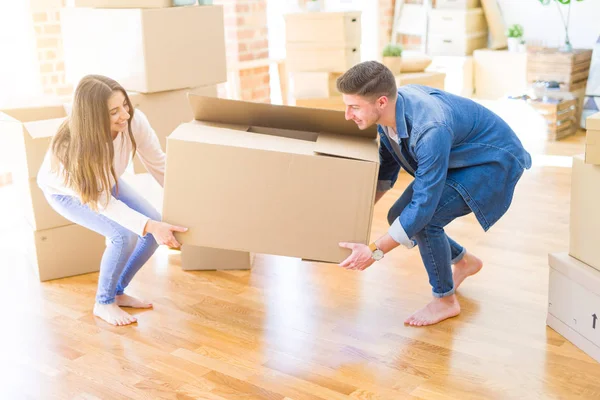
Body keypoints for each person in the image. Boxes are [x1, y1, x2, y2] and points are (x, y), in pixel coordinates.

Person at [336, 61, 532, 327]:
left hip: (489, 161)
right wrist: (353, 217)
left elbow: (423, 207)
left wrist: (374, 252)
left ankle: (445, 300)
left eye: (354, 107)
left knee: (426, 222)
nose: (348, 115)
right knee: (398, 215)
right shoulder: (388, 115)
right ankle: (464, 262)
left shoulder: (428, 128)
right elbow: (386, 171)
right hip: (457, 155)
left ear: (381, 101)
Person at [37, 75, 187, 326]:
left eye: (125, 105)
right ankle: (103, 302)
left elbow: (158, 164)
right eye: (114, 111)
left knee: (152, 228)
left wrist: (185, 202)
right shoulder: (72, 150)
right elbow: (103, 202)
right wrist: (149, 225)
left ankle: (118, 291)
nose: (125, 115)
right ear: (93, 118)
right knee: (123, 236)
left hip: (105, 182)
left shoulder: (134, 121)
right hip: (69, 192)